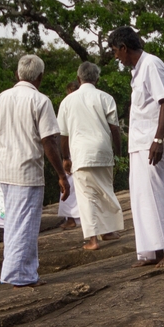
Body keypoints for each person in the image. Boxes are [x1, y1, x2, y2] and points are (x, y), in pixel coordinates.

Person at [0, 54, 70, 287]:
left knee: (13, 223)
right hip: (27, 172)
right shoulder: (40, 101)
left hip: (4, 170)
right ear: (40, 77)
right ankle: (20, 275)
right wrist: (61, 175)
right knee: (25, 225)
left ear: (17, 74)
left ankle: (17, 271)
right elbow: (49, 142)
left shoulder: (1, 98)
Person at [108, 26, 164, 267]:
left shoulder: (151, 65)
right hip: (141, 143)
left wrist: (158, 140)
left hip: (153, 143)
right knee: (142, 198)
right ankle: (153, 252)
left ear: (124, 48)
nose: (116, 57)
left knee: (155, 195)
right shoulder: (139, 71)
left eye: (115, 52)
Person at [58, 61, 125, 251]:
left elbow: (63, 134)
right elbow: (114, 129)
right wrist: (118, 153)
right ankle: (109, 230)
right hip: (103, 150)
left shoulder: (67, 101)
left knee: (86, 196)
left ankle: (93, 239)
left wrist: (65, 157)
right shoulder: (105, 97)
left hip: (80, 152)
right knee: (106, 190)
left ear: (79, 78)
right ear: (97, 78)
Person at [57, 80, 82, 231]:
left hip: (76, 147)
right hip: (73, 147)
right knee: (70, 183)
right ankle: (71, 217)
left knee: (73, 183)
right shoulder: (69, 104)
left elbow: (62, 133)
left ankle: (74, 218)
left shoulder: (70, 104)